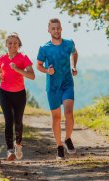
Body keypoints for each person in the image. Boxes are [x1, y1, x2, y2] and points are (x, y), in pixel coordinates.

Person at [36, 18, 78, 160]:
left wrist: (73, 66)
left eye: (58, 28)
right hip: (53, 87)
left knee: (68, 113)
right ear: (49, 30)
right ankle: (59, 146)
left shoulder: (68, 43)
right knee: (56, 117)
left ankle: (68, 138)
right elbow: (39, 65)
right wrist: (47, 71)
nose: (56, 31)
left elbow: (75, 53)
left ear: (61, 29)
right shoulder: (44, 48)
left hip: (67, 83)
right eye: (53, 28)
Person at [0, 32, 35, 161]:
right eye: (10, 43)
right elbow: (1, 73)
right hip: (4, 92)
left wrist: (18, 70)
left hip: (19, 94)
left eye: (15, 43)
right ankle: (9, 151)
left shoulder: (24, 58)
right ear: (6, 44)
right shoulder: (2, 58)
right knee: (8, 121)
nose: (12, 45)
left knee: (18, 122)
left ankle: (18, 144)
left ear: (19, 44)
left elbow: (32, 75)